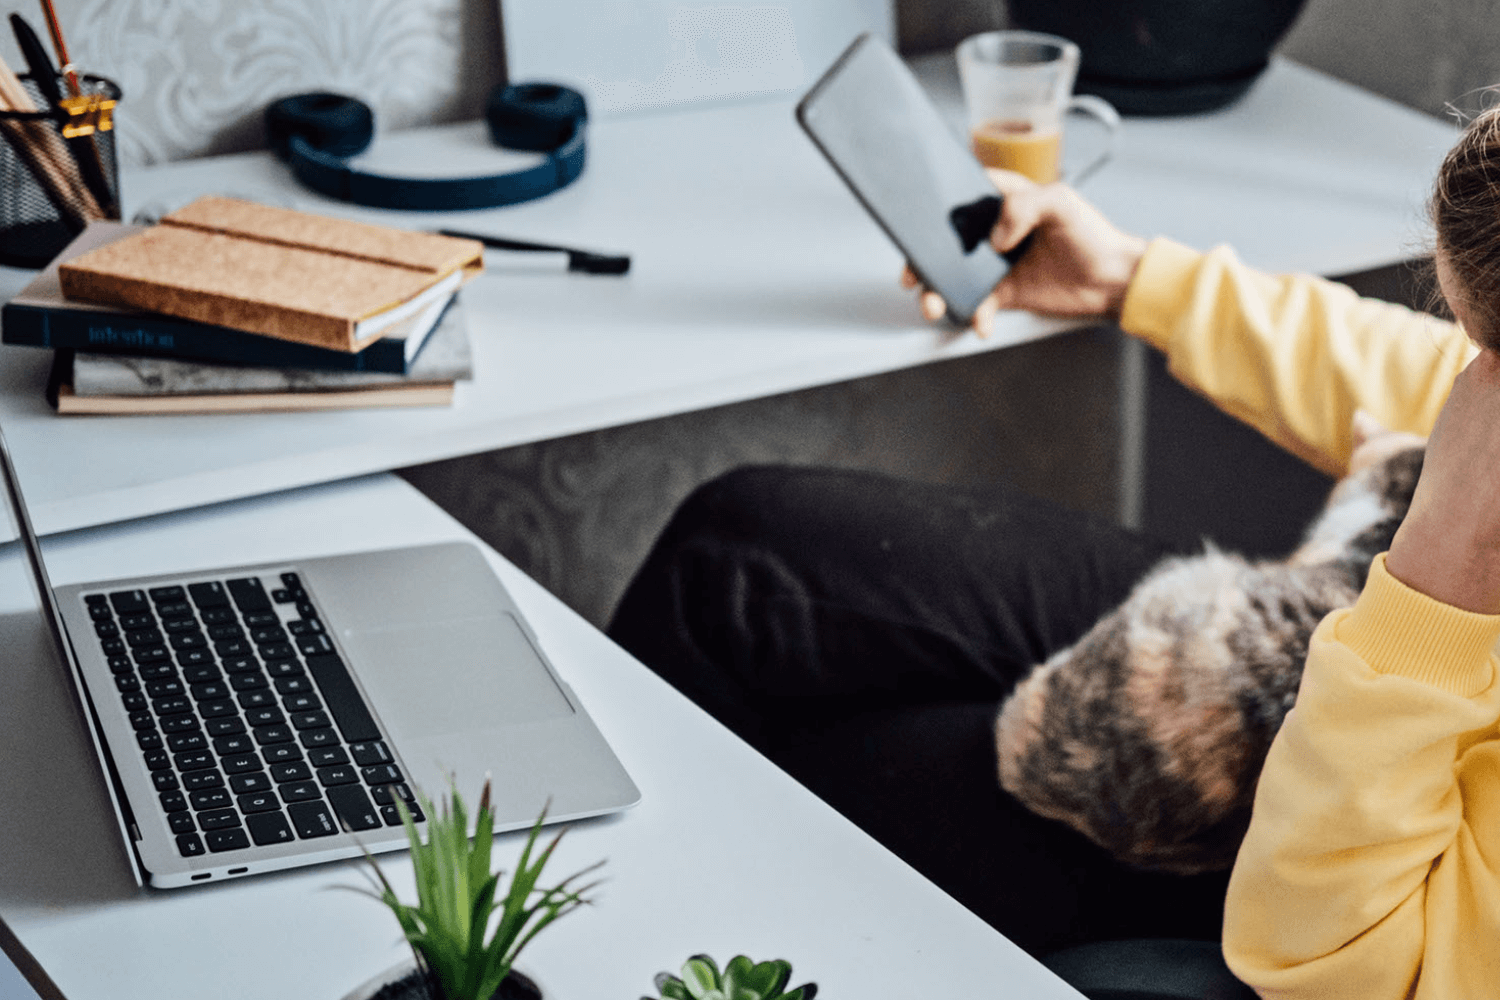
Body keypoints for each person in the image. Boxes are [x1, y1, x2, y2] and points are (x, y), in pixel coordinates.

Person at [608, 106, 1500, 997]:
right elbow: (1432, 377)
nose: (1470, 388)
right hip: (1359, 635)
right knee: (737, 555)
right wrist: (1137, 279)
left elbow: (1368, 970)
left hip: (1347, 856)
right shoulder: (1478, 377)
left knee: (820, 769)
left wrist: (1435, 593)